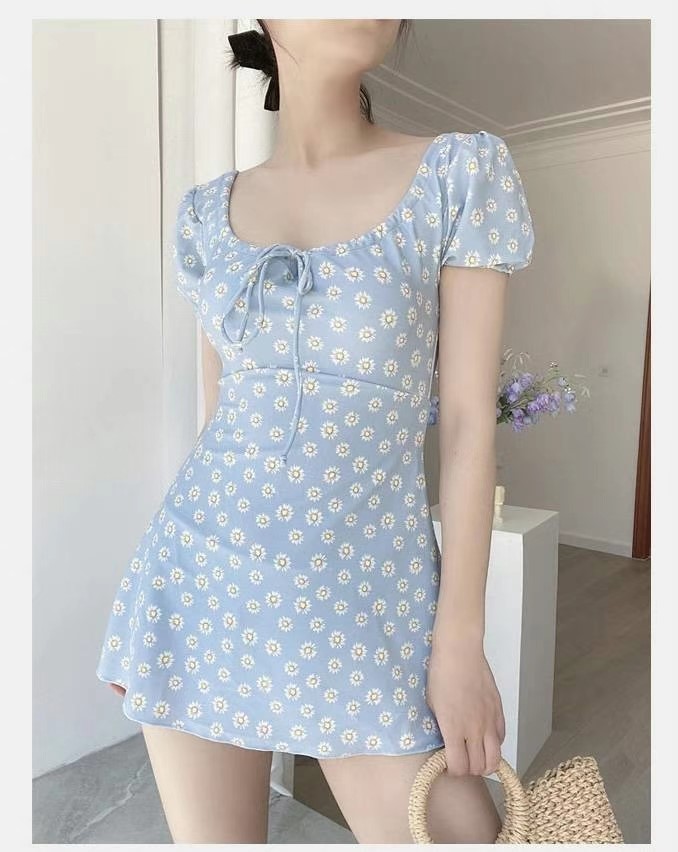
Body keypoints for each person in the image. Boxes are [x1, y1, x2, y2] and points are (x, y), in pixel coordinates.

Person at [96, 19, 534, 844]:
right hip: (199, 581)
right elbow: (220, 420)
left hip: (366, 600)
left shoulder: (458, 172)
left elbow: (468, 426)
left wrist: (459, 643)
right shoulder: (205, 215)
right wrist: (155, 611)